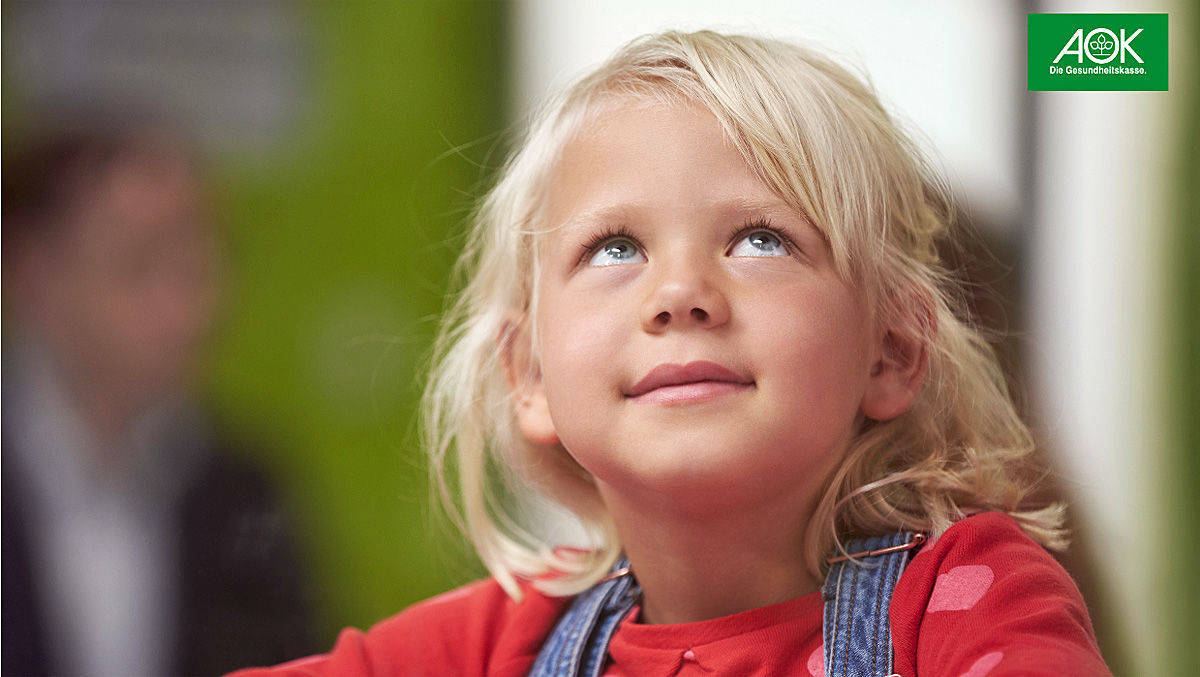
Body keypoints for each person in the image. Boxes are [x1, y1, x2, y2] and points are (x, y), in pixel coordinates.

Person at [231, 30, 1111, 676]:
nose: (679, 290)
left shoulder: (964, 598)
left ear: (890, 348)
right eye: (615, 247)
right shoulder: (506, 639)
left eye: (761, 239)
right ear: (527, 374)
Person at [2, 125, 316, 675]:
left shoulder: (239, 486)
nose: (184, 304)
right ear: (32, 273)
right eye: (138, 264)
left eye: (196, 265)